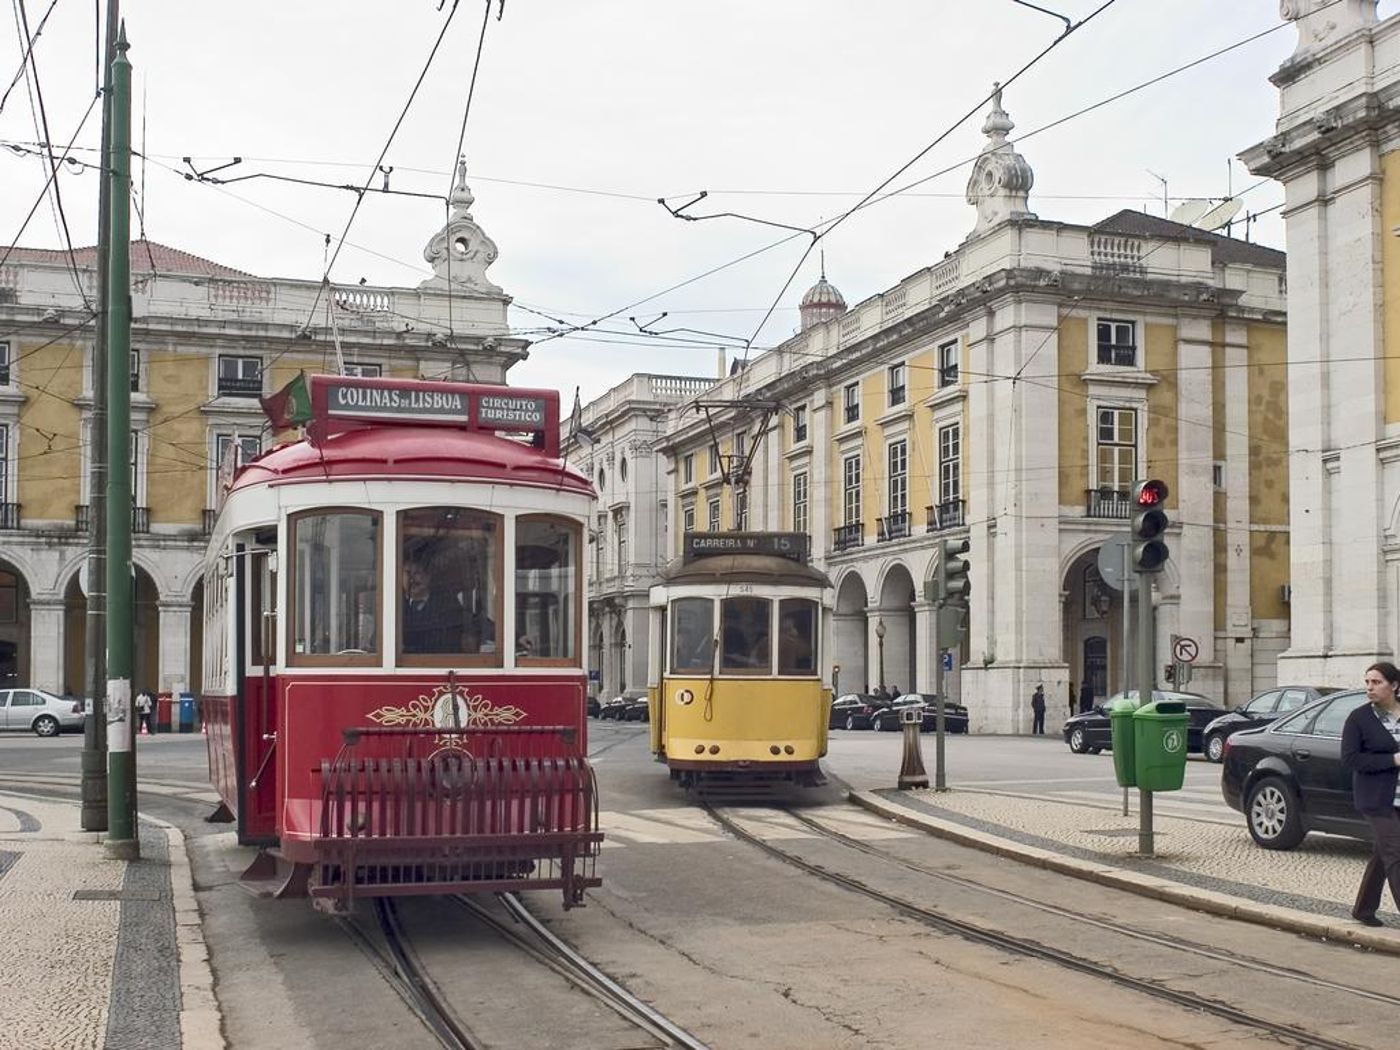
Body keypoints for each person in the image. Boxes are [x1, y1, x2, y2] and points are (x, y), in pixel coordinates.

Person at [1342, 661, 1400, 927]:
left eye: (1376, 682)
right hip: (1376, 799)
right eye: (1367, 682)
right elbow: (1351, 759)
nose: (1370, 688)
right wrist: (1393, 760)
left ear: (1394, 686)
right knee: (1396, 852)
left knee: (1382, 854)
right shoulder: (1359, 718)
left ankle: (1363, 909)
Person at [402, 555, 464, 654]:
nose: (412, 579)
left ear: (428, 577)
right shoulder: (392, 605)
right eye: (408, 573)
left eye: (417, 572)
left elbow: (453, 643)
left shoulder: (447, 604)